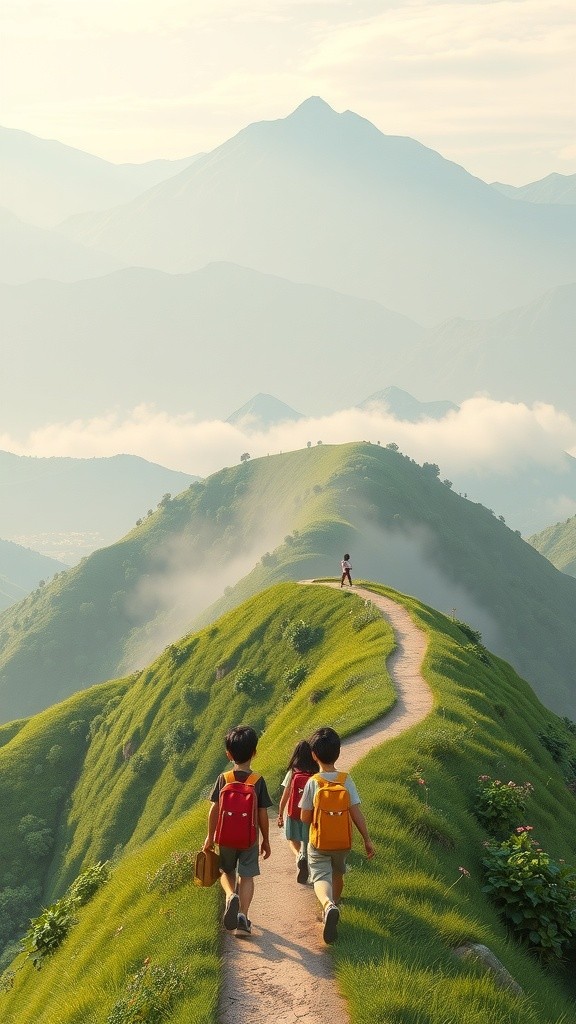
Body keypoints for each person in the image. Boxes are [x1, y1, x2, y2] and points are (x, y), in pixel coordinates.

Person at [299, 726, 375, 943]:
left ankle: (328, 905)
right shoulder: (345, 780)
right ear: (339, 752)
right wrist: (367, 839)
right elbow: (356, 812)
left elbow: (304, 817)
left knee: (320, 876)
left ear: (314, 755)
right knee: (337, 874)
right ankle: (336, 902)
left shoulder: (313, 782)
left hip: (319, 841)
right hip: (343, 841)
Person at [203, 724, 272, 936]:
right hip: (249, 838)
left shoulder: (224, 779)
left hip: (225, 837)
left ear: (228, 754)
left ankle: (230, 895)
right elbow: (262, 814)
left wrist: (210, 837)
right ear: (254, 752)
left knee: (226, 870)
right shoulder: (257, 781)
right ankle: (242, 917)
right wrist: (266, 839)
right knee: (247, 875)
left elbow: (214, 809)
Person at [277, 740, 317, 883]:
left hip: (294, 813)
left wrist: (280, 814)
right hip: (309, 813)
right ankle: (305, 856)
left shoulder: (293, 772)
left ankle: (299, 855)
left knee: (292, 839)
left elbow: (286, 795)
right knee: (307, 840)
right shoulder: (316, 772)